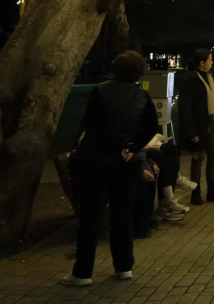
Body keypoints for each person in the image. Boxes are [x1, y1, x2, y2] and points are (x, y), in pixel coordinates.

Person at [65, 51, 158, 287]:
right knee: (123, 214)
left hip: (97, 161)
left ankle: (83, 272)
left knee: (91, 217)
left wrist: (116, 147)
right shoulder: (142, 96)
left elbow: (93, 125)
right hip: (126, 164)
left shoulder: (100, 91)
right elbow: (150, 127)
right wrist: (131, 147)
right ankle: (124, 266)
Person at [179, 48, 214, 206]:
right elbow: (185, 108)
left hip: (213, 120)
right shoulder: (190, 79)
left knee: (213, 154)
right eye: (210, 60)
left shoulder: (210, 76)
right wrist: (192, 131)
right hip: (199, 123)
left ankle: (212, 190)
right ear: (202, 63)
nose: (212, 62)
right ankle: (196, 192)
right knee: (198, 156)